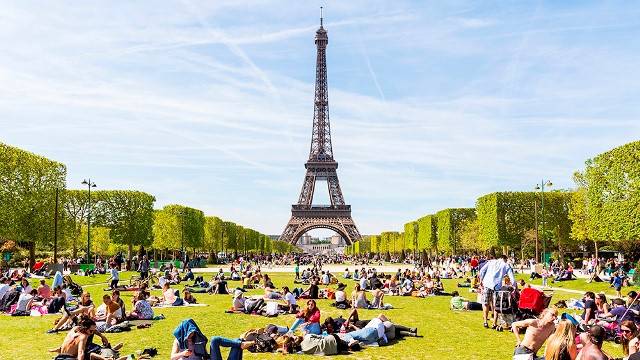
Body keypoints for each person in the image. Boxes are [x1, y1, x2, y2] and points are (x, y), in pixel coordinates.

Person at [479, 255, 516, 328]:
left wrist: (481, 280)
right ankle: (494, 323)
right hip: (497, 287)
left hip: (487, 284)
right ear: (504, 259)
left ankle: (485, 322)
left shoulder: (491, 262)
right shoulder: (506, 265)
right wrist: (514, 286)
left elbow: (482, 271)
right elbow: (512, 278)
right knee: (496, 305)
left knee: (485, 303)